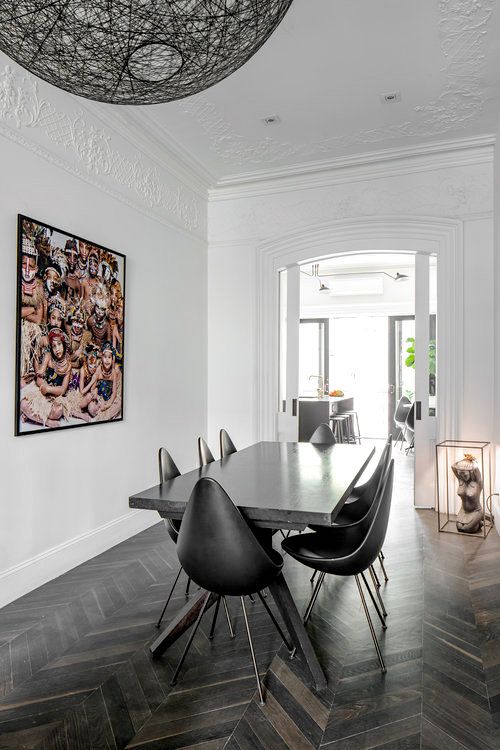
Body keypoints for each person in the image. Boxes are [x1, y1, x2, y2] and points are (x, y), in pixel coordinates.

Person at [20, 328, 71, 428]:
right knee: (23, 404)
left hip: (54, 395)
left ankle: (30, 416)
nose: (57, 349)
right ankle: (47, 422)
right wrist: (42, 384)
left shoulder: (68, 365)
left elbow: (63, 389)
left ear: (64, 344)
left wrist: (49, 389)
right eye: (53, 346)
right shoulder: (48, 356)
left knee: (58, 412)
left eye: (59, 344)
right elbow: (40, 376)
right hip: (41, 390)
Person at [19, 236, 45, 381]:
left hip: (31, 331)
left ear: (36, 268)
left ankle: (35, 370)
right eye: (24, 264)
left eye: (31, 266)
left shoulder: (39, 288)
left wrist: (23, 312)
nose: (28, 270)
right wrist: (30, 310)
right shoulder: (16, 283)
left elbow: (38, 318)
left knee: (35, 330)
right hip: (19, 330)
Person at [82, 341, 121, 421]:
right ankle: (101, 414)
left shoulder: (113, 372)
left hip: (108, 397)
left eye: (109, 357)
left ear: (112, 359)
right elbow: (93, 389)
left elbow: (114, 392)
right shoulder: (98, 370)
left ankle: (104, 416)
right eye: (105, 357)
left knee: (119, 404)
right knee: (91, 408)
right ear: (102, 358)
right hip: (99, 398)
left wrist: (109, 403)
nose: (107, 360)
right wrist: (99, 400)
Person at [87, 282, 112, 347]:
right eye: (98, 308)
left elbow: (108, 339)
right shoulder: (90, 320)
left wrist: (105, 348)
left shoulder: (107, 324)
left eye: (102, 309)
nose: (99, 312)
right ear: (95, 306)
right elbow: (87, 333)